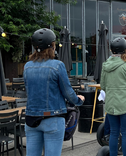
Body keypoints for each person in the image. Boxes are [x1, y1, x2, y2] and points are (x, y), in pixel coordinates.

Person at [24, 28, 85, 156]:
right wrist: (79, 100)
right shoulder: (57, 65)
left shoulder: (27, 66)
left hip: (31, 119)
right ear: (52, 46)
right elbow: (67, 92)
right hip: (53, 118)